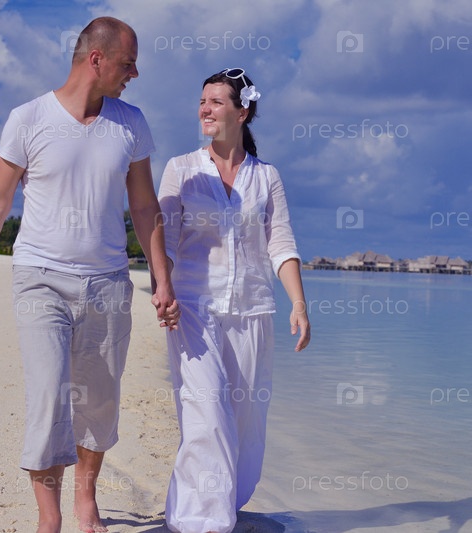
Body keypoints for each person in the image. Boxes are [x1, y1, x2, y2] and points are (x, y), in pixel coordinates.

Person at [0, 17, 179, 533]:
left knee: (99, 399)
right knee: (50, 394)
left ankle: (85, 496)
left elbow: (144, 206)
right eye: (127, 63)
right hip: (40, 278)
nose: (135, 73)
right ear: (96, 59)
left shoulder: (131, 123)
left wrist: (162, 279)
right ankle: (48, 518)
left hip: (108, 282)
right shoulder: (28, 118)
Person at [158, 68, 311, 533]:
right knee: (206, 415)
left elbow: (280, 242)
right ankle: (200, 521)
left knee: (246, 422)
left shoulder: (267, 177)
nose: (205, 109)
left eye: (216, 102)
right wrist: (163, 288)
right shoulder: (180, 169)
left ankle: (225, 502)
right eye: (202, 101)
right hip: (191, 310)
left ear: (242, 112)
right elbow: (165, 239)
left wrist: (298, 304)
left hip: (252, 311)